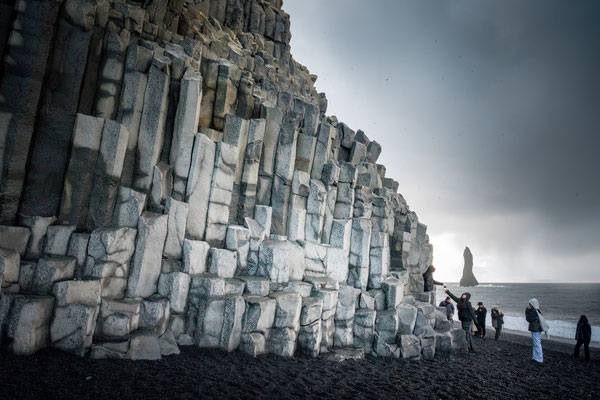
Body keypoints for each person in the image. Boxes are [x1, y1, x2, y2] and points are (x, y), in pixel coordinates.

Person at [445, 288, 480, 353]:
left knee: (466, 333)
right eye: (463, 294)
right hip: (463, 319)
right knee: (467, 333)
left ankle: (468, 347)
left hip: (467, 319)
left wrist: (476, 321)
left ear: (467, 297)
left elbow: (471, 312)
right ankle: (470, 346)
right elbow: (453, 297)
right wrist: (447, 291)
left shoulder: (468, 303)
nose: (463, 295)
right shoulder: (459, 301)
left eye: (465, 295)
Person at [526, 298, 549, 363]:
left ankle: (539, 358)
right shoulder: (537, 310)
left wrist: (528, 310)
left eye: (529, 304)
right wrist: (528, 310)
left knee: (537, 343)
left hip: (535, 329)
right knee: (536, 343)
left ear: (532, 304)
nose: (528, 305)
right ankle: (535, 357)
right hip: (537, 328)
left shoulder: (533, 311)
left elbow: (528, 319)